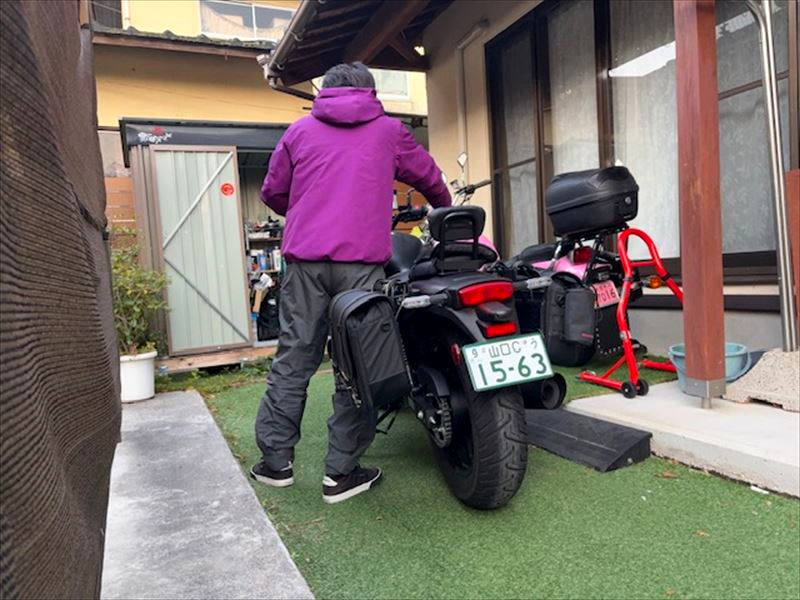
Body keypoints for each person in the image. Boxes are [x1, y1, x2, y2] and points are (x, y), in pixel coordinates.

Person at [252, 62, 451, 504]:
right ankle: (340, 473)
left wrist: (307, 208)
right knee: (357, 365)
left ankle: (276, 463)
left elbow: (272, 192)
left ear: (324, 92)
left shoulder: (299, 132)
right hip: (361, 267)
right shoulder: (389, 131)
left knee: (294, 358)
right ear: (370, 93)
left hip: (305, 263)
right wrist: (442, 206)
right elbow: (430, 179)